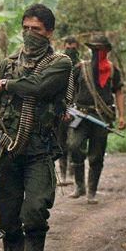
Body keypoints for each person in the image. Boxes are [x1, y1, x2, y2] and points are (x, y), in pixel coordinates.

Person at [0, 3, 72, 251]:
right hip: (7, 152)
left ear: (50, 32)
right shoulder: (4, 64)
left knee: (35, 211)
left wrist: (6, 84)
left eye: (37, 30)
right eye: (26, 28)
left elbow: (39, 87)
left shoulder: (60, 63)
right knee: (9, 217)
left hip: (39, 150)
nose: (31, 35)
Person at [66, 34, 126, 204]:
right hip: (80, 115)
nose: (96, 52)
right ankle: (79, 186)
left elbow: (119, 92)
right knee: (74, 146)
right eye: (94, 49)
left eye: (100, 49)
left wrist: (122, 116)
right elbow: (70, 90)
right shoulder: (80, 68)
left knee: (97, 155)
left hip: (102, 117)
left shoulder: (113, 70)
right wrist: (67, 108)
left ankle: (92, 191)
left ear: (106, 50)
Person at [55, 35, 81, 185]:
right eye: (68, 47)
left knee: (73, 143)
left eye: (73, 48)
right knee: (60, 143)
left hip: (77, 110)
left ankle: (72, 174)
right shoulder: (59, 64)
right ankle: (63, 175)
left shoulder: (82, 67)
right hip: (60, 110)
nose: (70, 50)